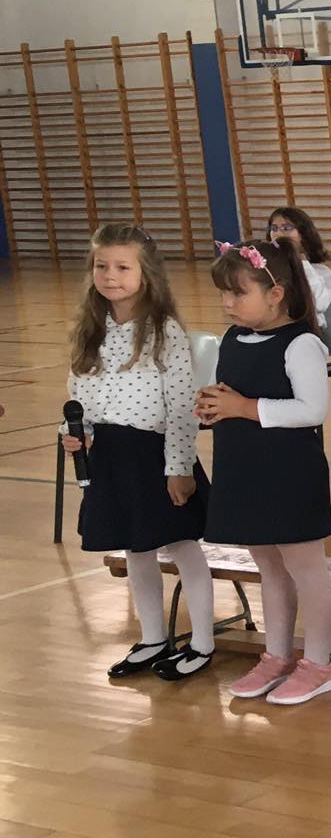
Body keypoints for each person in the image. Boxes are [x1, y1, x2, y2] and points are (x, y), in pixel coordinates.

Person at [65, 222, 216, 681]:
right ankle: (152, 637)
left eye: (122, 267)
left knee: (183, 545)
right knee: (135, 548)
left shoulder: (163, 331)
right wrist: (74, 432)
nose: (110, 276)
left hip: (155, 453)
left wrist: (179, 467)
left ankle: (203, 643)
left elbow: (181, 406)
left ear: (145, 274)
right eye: (102, 266)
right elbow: (78, 396)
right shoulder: (90, 331)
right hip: (110, 455)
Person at [199, 238, 331, 706]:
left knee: (306, 569)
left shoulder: (302, 343)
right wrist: (214, 406)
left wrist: (243, 407)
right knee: (269, 569)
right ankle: (277, 655)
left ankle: (320, 664)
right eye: (224, 293)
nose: (227, 303)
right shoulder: (233, 338)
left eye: (238, 293)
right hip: (243, 467)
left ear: (276, 294)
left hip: (289, 472)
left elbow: (312, 409)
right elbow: (232, 394)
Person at [266, 207, 331, 331]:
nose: (278, 234)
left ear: (303, 234)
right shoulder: (266, 269)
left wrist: (301, 261)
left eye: (287, 228)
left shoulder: (320, 272)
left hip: (305, 330)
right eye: (274, 228)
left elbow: (319, 303)